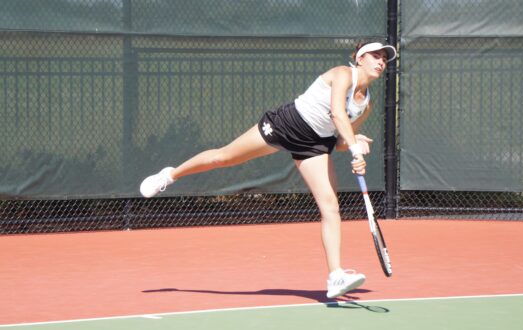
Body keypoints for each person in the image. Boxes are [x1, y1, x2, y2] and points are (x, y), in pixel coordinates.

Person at [139, 41, 397, 299]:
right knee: (224, 157)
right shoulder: (343, 74)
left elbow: (341, 140)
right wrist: (353, 147)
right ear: (360, 58)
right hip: (288, 124)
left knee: (330, 207)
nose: (381, 62)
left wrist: (356, 142)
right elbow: (338, 115)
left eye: (384, 59)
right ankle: (170, 175)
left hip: (315, 144)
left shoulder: (366, 105)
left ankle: (335, 276)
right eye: (376, 56)